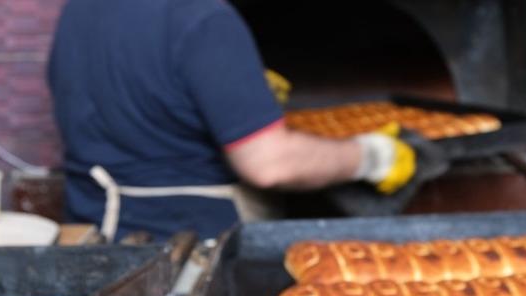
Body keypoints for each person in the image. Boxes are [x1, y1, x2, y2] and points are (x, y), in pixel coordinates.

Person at [48, 0, 416, 241]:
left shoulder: (80, 9)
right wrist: (370, 157)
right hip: (186, 252)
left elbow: (128, 98)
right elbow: (271, 164)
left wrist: (233, 92)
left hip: (93, 241)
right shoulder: (202, 17)